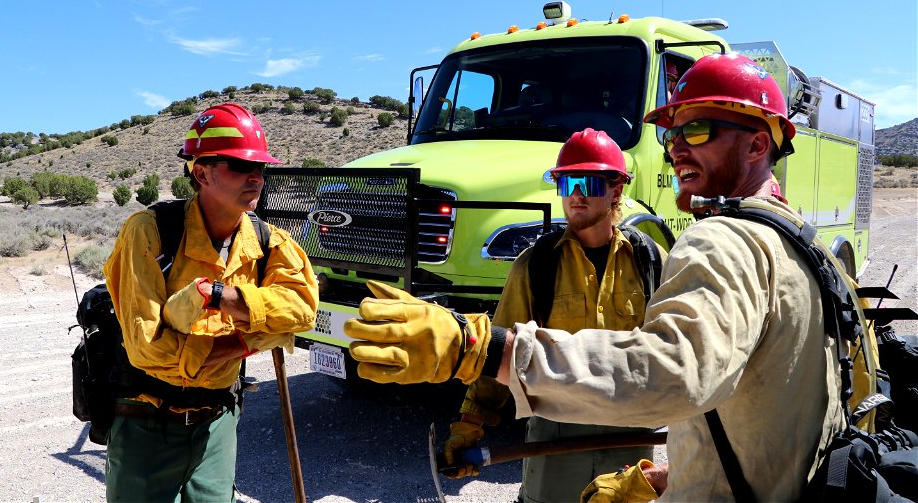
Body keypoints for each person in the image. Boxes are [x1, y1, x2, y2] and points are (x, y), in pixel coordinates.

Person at [345, 52, 851, 501]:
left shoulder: (678, 252)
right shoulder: (804, 245)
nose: (676, 148)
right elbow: (750, 419)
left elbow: (675, 374)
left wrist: (477, 348)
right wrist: (472, 423)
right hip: (555, 427)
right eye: (670, 134)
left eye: (694, 131)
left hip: (632, 427)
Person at [103, 103, 318, 502]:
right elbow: (150, 349)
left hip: (217, 423)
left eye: (260, 167)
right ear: (201, 173)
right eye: (239, 165)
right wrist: (250, 340)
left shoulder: (269, 243)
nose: (255, 176)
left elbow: (303, 310)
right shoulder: (149, 233)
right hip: (145, 424)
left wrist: (223, 296)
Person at [442, 128, 661, 503]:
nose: (575, 194)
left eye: (588, 182)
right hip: (556, 435)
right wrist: (470, 423)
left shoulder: (650, 260)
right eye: (566, 182)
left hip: (630, 434)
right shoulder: (535, 266)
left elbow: (681, 347)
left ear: (616, 190)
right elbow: (500, 347)